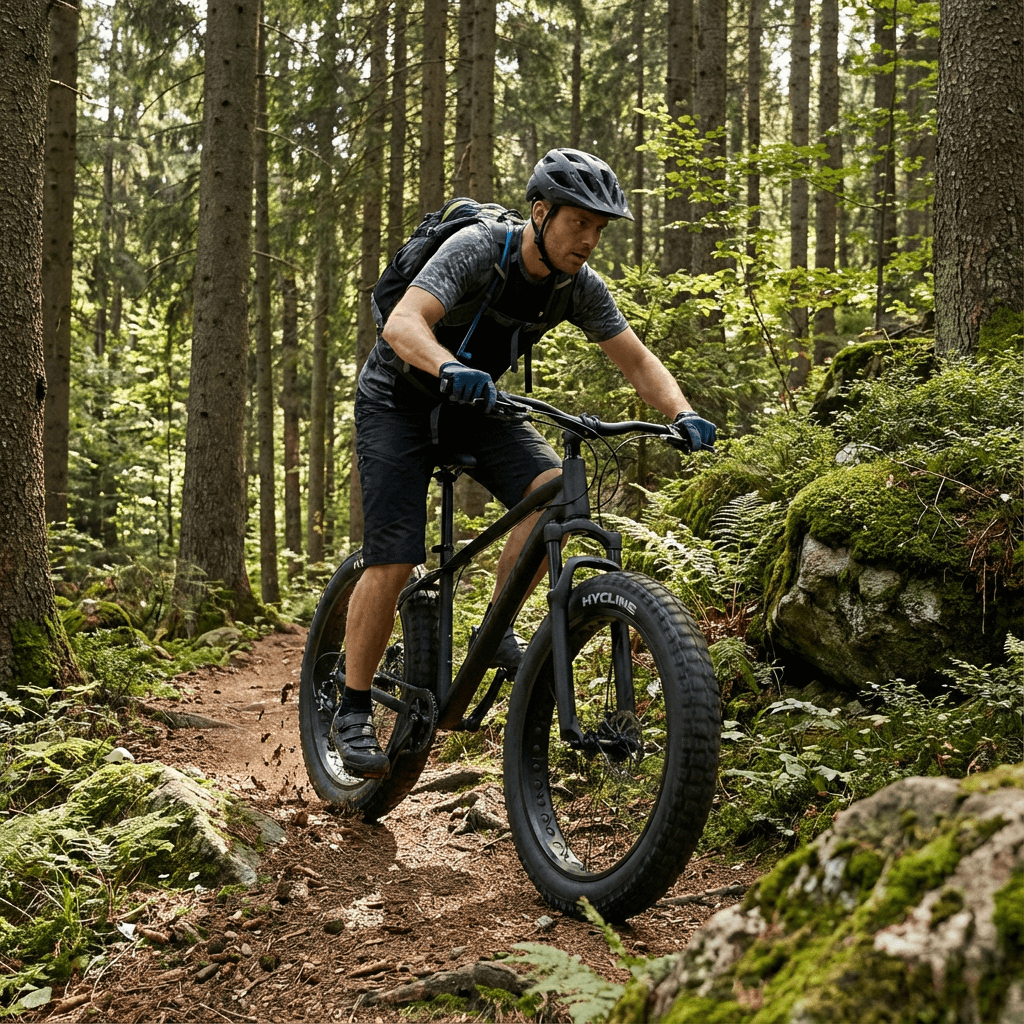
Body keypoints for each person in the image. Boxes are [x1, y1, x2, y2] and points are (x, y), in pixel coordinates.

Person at [337, 148, 717, 778]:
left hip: (478, 403)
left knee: (551, 492)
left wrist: (680, 411)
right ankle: (351, 706)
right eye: (580, 223)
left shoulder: (576, 287)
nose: (591, 240)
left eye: (601, 228)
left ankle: (496, 631)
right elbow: (403, 324)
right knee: (396, 554)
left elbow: (636, 359)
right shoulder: (481, 250)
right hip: (398, 400)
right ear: (540, 213)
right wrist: (451, 366)